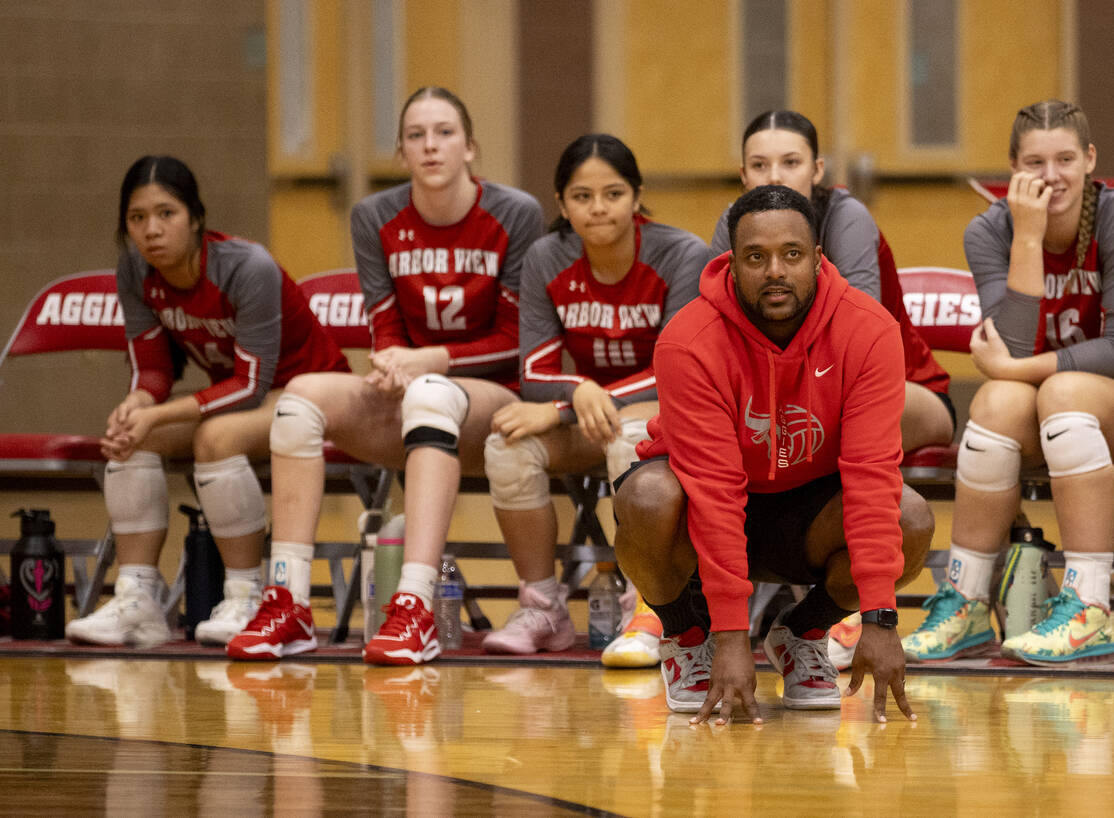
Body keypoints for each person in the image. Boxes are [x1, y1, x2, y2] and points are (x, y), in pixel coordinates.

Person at [230, 87, 543, 662]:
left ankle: (415, 608)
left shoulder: (514, 212)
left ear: (470, 147)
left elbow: (514, 342)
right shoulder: (374, 216)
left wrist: (429, 361)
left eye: (444, 132)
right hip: (414, 395)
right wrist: (394, 359)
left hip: (494, 400)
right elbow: (386, 325)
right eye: (416, 136)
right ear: (400, 152)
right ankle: (289, 602)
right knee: (298, 400)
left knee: (428, 391)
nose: (430, 146)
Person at [613, 185, 932, 724]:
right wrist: (731, 636)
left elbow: (872, 476)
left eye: (791, 254)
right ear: (731, 265)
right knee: (645, 497)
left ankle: (801, 631)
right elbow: (714, 492)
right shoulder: (688, 340)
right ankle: (687, 635)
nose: (775, 270)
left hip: (809, 513)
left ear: (817, 258)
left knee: (911, 516)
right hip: (704, 511)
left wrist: (881, 618)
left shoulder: (870, 329)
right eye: (755, 257)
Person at [901, 100, 1114, 666]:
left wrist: (1011, 369)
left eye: (1064, 159)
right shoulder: (990, 230)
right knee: (994, 401)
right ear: (1013, 166)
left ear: (1090, 159)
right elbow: (1018, 347)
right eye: (1035, 161)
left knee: (1049, 389)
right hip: (1052, 407)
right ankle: (967, 604)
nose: (1051, 175)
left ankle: (1090, 608)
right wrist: (1027, 238)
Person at [66, 155, 350, 649]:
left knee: (215, 437)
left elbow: (249, 386)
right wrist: (137, 403)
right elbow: (154, 368)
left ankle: (246, 596)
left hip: (310, 391)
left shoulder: (247, 268)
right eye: (137, 218)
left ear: (196, 218)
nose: (151, 230)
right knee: (134, 437)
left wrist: (157, 411)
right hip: (246, 397)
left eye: (166, 214)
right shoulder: (135, 269)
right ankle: (139, 601)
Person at [711, 111, 954, 669]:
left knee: (842, 429)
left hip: (904, 386)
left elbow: (855, 332)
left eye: (791, 162)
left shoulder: (847, 216)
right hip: (793, 395)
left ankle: (838, 609)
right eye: (760, 163)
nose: (778, 173)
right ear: (742, 174)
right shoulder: (735, 222)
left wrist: (881, 616)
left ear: (817, 170)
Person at [480, 134, 709, 659]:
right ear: (561, 204)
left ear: (636, 196)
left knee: (629, 437)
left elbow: (676, 370)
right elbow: (534, 370)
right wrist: (576, 391)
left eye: (613, 193)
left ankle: (651, 610)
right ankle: (542, 609)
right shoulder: (546, 257)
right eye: (582, 196)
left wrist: (572, 401)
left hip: (662, 422)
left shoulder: (680, 254)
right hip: (592, 418)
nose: (598, 208)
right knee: (507, 447)